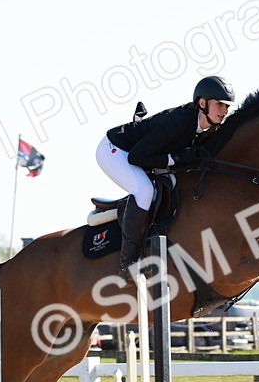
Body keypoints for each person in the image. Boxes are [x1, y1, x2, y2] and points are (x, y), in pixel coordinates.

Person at [97, 75, 236, 280]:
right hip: (115, 150)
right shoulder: (180, 121)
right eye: (220, 105)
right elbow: (137, 157)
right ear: (202, 103)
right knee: (145, 191)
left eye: (227, 106)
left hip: (139, 154)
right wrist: (175, 159)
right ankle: (128, 264)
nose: (224, 110)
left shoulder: (207, 128)